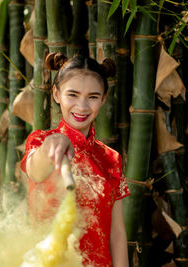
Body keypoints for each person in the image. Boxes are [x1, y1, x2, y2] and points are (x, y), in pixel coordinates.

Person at [20, 52, 130, 267]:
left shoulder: (111, 158)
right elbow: (35, 169)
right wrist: (53, 144)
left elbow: (117, 232)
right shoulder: (41, 141)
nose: (82, 106)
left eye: (93, 97)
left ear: (104, 98)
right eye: (73, 95)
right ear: (56, 94)